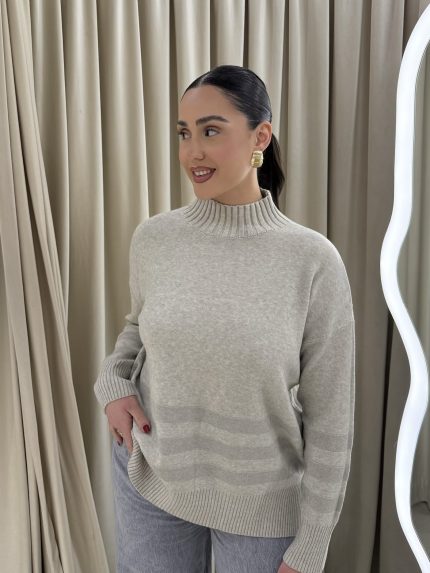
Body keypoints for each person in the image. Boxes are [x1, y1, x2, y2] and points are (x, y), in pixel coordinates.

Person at [94, 64, 355, 573]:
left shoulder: (312, 260)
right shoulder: (155, 239)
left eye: (211, 131)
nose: (193, 152)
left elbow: (331, 417)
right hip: (152, 477)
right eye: (184, 133)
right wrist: (114, 384)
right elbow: (138, 329)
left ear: (261, 137)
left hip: (261, 504)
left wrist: (312, 545)